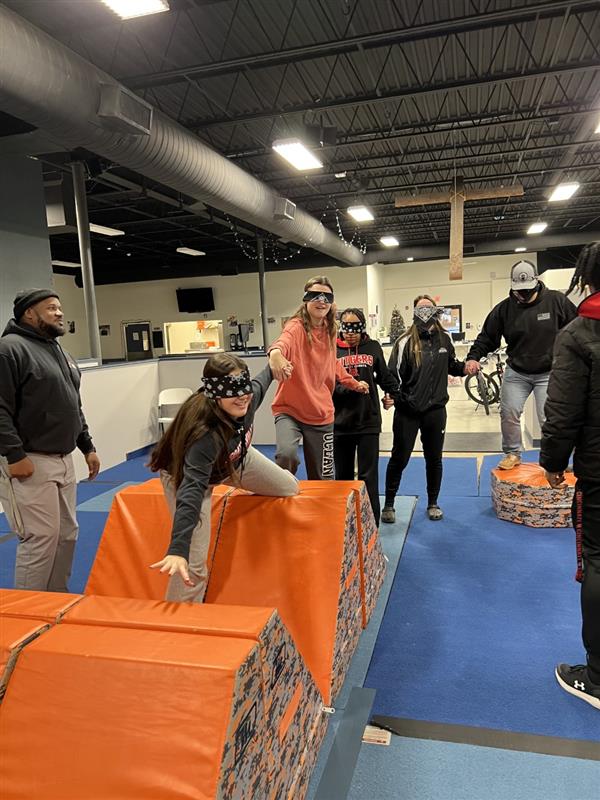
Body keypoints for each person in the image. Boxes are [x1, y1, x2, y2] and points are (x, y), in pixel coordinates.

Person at [149, 353, 299, 603]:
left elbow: (264, 378)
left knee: (289, 486)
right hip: (188, 477)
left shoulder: (247, 396)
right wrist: (178, 549)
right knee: (194, 566)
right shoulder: (204, 434)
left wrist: (274, 362)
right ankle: (178, 627)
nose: (242, 396)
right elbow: (191, 491)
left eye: (244, 387)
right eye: (232, 390)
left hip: (235, 458)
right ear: (214, 393)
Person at [0, 289, 100, 592]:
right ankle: (28, 615)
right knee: (40, 538)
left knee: (67, 534)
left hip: (64, 458)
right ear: (30, 313)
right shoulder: (9, 349)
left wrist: (87, 445)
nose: (59, 313)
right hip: (29, 460)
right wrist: (15, 455)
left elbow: (73, 403)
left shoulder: (59, 351)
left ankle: (56, 603)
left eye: (59, 307)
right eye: (51, 308)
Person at [539, 242, 600, 711]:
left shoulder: (581, 332)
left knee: (597, 560)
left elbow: (561, 412)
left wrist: (554, 463)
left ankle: (597, 676)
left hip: (599, 470)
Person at [465, 260, 577, 469]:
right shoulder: (504, 309)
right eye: (519, 291)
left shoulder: (557, 302)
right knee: (509, 413)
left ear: (536, 283)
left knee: (549, 419)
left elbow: (576, 329)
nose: (523, 294)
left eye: (527, 290)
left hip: (549, 372)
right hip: (517, 372)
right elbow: (487, 338)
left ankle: (555, 459)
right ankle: (512, 453)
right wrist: (473, 357)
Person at [268, 276, 369, 480]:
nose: (321, 300)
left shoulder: (330, 330)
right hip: (290, 410)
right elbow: (283, 340)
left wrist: (353, 383)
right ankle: (283, 494)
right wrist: (276, 354)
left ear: (331, 302)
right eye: (315, 296)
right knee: (285, 456)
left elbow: (332, 363)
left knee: (323, 476)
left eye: (327, 297)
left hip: (320, 413)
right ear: (306, 300)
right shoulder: (296, 327)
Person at [381, 295, 466, 524]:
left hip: (436, 411)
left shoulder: (444, 339)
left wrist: (466, 368)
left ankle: (433, 502)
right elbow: (392, 376)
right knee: (399, 457)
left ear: (436, 311)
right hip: (408, 412)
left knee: (434, 459)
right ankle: (389, 503)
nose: (425, 312)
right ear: (414, 313)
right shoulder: (403, 342)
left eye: (429, 308)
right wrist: (397, 399)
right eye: (421, 308)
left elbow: (452, 366)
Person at [334, 308, 400, 523]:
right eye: (346, 328)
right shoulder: (331, 349)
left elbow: (384, 377)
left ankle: (372, 523)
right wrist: (350, 388)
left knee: (368, 477)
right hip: (339, 423)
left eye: (355, 328)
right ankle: (345, 522)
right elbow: (325, 384)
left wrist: (393, 395)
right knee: (342, 477)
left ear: (362, 328)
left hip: (367, 421)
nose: (350, 333)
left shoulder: (372, 347)